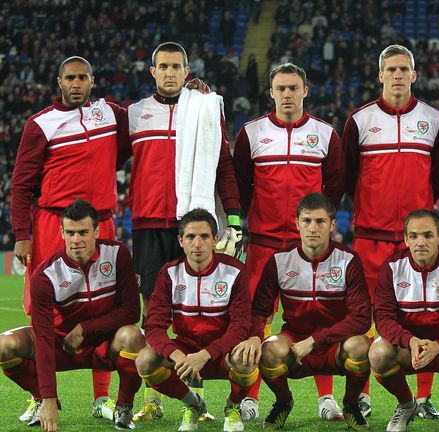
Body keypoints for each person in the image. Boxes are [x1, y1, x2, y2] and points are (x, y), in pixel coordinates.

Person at [123, 42, 241, 422]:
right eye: (163, 66)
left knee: (199, 309)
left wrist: (234, 218)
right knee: (150, 311)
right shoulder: (135, 114)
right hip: (147, 223)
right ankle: (153, 397)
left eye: (177, 66)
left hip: (190, 223)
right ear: (152, 71)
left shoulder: (205, 107)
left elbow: (223, 162)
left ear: (188, 71)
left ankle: (197, 397)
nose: (170, 72)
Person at [10, 56, 124, 420]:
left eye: (83, 77)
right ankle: (40, 394)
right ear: (59, 81)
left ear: (92, 81)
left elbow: (156, 109)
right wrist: (21, 235)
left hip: (101, 222)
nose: (77, 83)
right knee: (42, 304)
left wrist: (193, 91)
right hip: (51, 225)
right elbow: (22, 183)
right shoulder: (41, 123)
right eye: (70, 78)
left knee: (103, 304)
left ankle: (100, 398)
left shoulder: (111, 114)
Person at [232, 62, 345, 421]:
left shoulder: (325, 134)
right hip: (264, 244)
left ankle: (326, 397)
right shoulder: (251, 133)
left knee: (319, 317)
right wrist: (250, 223)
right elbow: (240, 186)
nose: (287, 94)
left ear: (305, 90)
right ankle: (249, 396)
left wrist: (315, 229)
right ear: (271, 92)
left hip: (308, 248)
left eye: (293, 88)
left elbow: (336, 187)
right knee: (255, 323)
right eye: (280, 88)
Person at [343, 44, 439, 419]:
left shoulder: (435, 120)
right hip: (371, 237)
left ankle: (423, 398)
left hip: (417, 241)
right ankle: (364, 394)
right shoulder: (359, 120)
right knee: (367, 317)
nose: (398, 75)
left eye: (405, 69)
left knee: (425, 315)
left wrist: (427, 223)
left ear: (415, 75)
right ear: (381, 75)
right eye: (391, 69)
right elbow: (349, 175)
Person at [0, 199, 144, 432]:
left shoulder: (117, 254)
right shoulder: (46, 275)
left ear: (96, 231)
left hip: (104, 344)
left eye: (83, 232)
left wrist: (86, 328)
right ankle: (40, 399)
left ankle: (124, 408)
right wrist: (49, 396)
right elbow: (43, 337)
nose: (77, 240)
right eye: (70, 232)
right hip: (62, 346)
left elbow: (132, 311)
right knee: (3, 345)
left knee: (133, 336)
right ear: (61, 232)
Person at [231, 193, 371, 430]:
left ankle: (350, 404)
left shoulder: (348, 260)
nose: (313, 228)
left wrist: (315, 341)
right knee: (268, 350)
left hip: (335, 346)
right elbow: (260, 310)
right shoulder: (280, 260)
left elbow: (361, 317)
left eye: (320, 221)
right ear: (296, 224)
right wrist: (255, 336)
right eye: (306, 221)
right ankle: (284, 402)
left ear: (332, 225)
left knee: (361, 346)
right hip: (295, 347)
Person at [134, 208, 255, 432]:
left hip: (222, 352)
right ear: (181, 240)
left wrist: (205, 355)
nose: (197, 243)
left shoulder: (235, 271)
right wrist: (177, 354)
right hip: (185, 352)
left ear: (215, 240)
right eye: (190, 237)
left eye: (204, 236)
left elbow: (240, 326)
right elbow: (154, 326)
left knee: (246, 359)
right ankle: (193, 404)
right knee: (145, 359)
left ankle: (233, 407)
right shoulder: (169, 273)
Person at [370, 209, 439, 432]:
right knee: (378, 353)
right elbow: (382, 317)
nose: (420, 242)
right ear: (405, 239)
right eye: (414, 236)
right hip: (408, 351)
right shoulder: (392, 268)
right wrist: (409, 341)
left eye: (428, 235)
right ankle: (406, 404)